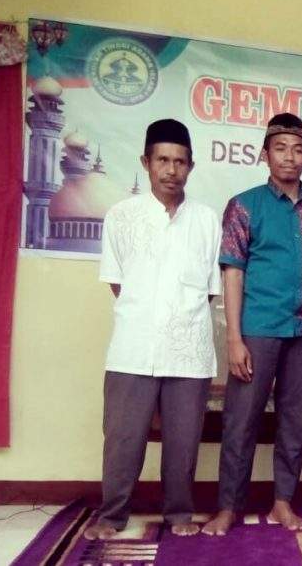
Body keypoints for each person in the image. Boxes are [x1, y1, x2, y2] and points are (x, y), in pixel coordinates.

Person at [203, 113, 302, 536]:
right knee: (240, 421)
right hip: (258, 330)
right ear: (265, 155)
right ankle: (228, 506)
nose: (289, 157)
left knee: (294, 421)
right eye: (280, 149)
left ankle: (283, 502)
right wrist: (234, 338)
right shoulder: (244, 206)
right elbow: (233, 273)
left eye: (297, 150)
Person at [85, 119, 221, 540]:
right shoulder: (121, 216)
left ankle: (179, 513)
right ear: (146, 162)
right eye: (162, 160)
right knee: (123, 438)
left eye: (180, 161)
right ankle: (112, 515)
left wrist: (180, 321)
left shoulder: (207, 220)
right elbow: (117, 282)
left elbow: (210, 290)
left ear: (191, 166)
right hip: (134, 346)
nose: (171, 170)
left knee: (183, 441)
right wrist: (148, 316)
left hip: (189, 349)